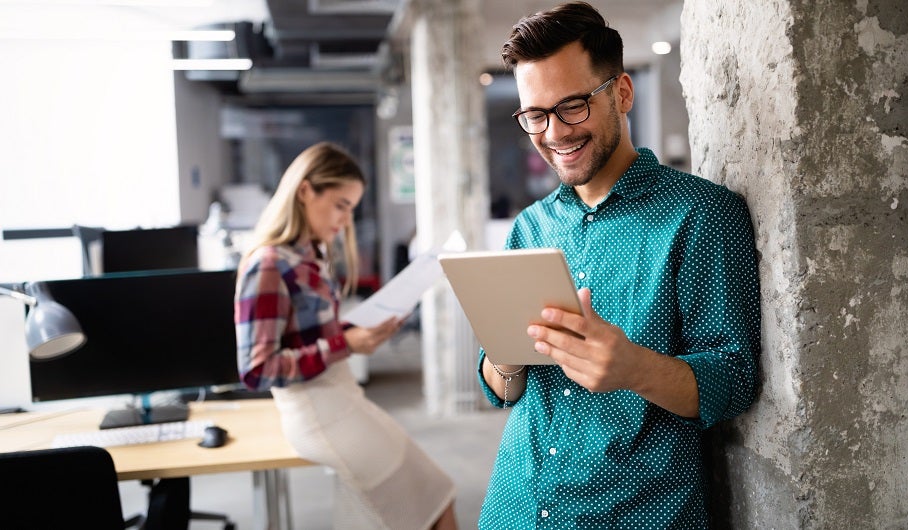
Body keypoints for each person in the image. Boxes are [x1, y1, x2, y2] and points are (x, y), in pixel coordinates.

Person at [477, 2, 761, 528]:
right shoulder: (530, 228)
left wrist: (634, 368)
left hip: (634, 511)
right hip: (515, 505)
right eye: (534, 115)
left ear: (622, 93)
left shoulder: (701, 215)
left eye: (573, 106)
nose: (554, 133)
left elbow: (734, 380)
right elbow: (501, 389)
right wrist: (505, 360)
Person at [234, 142, 458, 530]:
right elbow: (257, 369)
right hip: (317, 411)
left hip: (342, 398)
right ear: (305, 191)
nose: (345, 220)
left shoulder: (311, 256)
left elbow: (311, 336)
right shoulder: (268, 265)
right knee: (435, 502)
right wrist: (344, 344)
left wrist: (361, 331)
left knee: (404, 507)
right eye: (341, 205)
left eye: (351, 209)